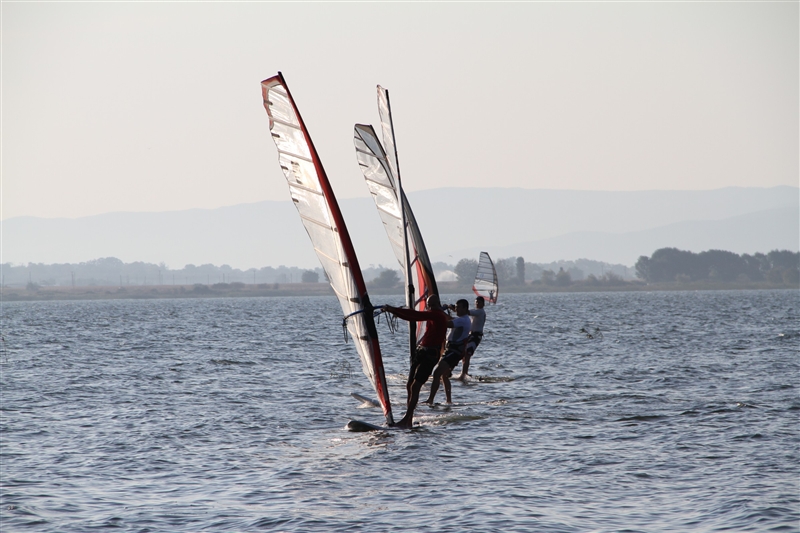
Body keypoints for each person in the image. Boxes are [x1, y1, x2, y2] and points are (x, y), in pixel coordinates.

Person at [382, 295, 450, 429]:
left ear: (437, 304)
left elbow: (415, 315)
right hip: (421, 351)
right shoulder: (434, 312)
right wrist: (398, 311)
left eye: (431, 305)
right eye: (428, 305)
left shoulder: (438, 315)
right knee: (409, 385)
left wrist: (392, 309)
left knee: (415, 386)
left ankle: (408, 419)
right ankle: (408, 417)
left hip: (431, 355)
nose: (429, 307)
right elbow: (413, 315)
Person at [425, 299, 471, 404]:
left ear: (465, 308)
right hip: (455, 351)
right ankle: (449, 401)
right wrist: (441, 312)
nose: (456, 309)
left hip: (453, 351)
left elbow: (446, 323)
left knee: (437, 373)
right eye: (455, 307)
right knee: (444, 375)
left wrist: (436, 313)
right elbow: (450, 319)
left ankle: (430, 399)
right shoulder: (463, 319)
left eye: (459, 307)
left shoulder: (463, 320)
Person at [455, 296, 487, 381]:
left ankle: (463, 374)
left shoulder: (480, 312)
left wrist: (454, 308)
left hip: (476, 336)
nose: (477, 304)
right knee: (464, 355)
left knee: (468, 355)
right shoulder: (477, 311)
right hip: (470, 335)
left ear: (483, 304)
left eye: (479, 303)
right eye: (476, 302)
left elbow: (467, 312)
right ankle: (464, 372)